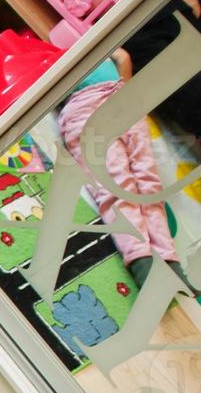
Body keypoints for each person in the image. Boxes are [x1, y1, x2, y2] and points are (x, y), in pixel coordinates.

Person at [57, 50, 193, 290]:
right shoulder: (62, 53)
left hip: (121, 98)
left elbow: (124, 58)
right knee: (116, 183)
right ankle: (141, 260)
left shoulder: (105, 44)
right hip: (85, 106)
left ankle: (169, 261)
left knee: (149, 184)